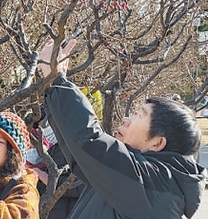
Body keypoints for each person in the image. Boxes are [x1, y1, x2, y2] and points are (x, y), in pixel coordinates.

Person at [39, 39, 206, 218]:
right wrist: (54, 84)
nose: (126, 119)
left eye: (138, 115)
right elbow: (80, 153)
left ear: (157, 143)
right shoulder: (140, 182)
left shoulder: (156, 187)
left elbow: (90, 141)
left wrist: (58, 81)